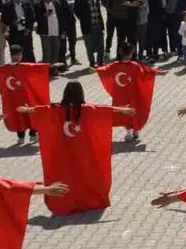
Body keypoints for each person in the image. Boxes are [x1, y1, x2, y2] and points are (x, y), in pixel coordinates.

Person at [15, 81, 133, 215]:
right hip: (84, 151)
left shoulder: (56, 109)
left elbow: (40, 110)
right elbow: (104, 109)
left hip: (62, 152)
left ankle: (66, 202)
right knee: (86, 177)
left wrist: (26, 110)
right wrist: (123, 110)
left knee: (65, 177)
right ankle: (88, 201)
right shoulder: (86, 109)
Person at [96, 43, 165, 143]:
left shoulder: (114, 65)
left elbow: (103, 70)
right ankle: (136, 131)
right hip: (134, 94)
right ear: (131, 54)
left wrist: (96, 70)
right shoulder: (134, 66)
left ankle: (128, 133)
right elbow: (146, 72)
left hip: (120, 95)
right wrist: (158, 72)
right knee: (135, 111)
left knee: (124, 112)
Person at [73, 0, 107, 68]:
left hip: (98, 24)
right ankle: (92, 62)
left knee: (101, 45)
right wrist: (84, 20)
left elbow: (99, 12)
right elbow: (77, 12)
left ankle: (100, 61)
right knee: (90, 46)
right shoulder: (79, 0)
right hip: (88, 26)